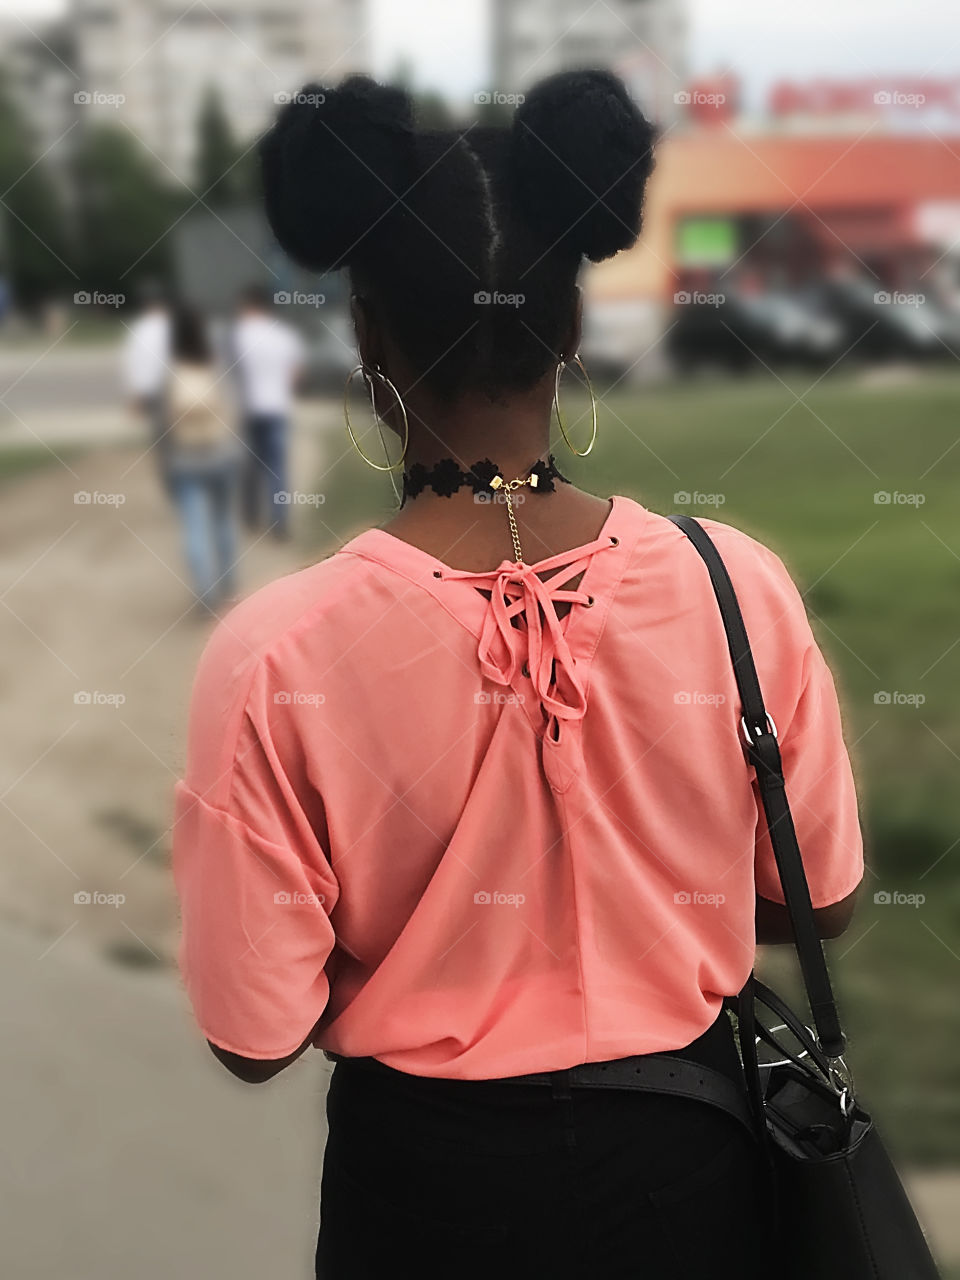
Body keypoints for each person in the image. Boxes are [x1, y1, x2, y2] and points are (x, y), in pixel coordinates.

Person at [172, 72, 863, 1279]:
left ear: (366, 333)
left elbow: (251, 1033)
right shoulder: (735, 585)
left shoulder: (274, 652)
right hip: (693, 1186)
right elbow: (828, 896)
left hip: (421, 1202)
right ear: (573, 330)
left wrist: (412, 939)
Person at [166, 306, 241, 613]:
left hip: (187, 458)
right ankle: (229, 586)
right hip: (221, 454)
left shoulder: (173, 373)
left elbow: (166, 420)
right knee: (223, 521)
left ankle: (205, 593)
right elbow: (233, 410)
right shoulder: (216, 369)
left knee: (194, 526)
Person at [232, 283, 304, 538]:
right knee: (277, 468)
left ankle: (251, 516)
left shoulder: (239, 334)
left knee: (251, 467)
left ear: (247, 305)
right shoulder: (284, 334)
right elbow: (295, 374)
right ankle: (279, 522)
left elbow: (232, 373)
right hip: (278, 407)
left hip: (251, 408)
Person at [122, 283, 172, 488]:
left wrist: (136, 395)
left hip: (152, 391)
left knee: (160, 436)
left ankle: (168, 476)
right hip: (174, 391)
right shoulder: (173, 326)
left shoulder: (140, 330)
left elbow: (134, 363)